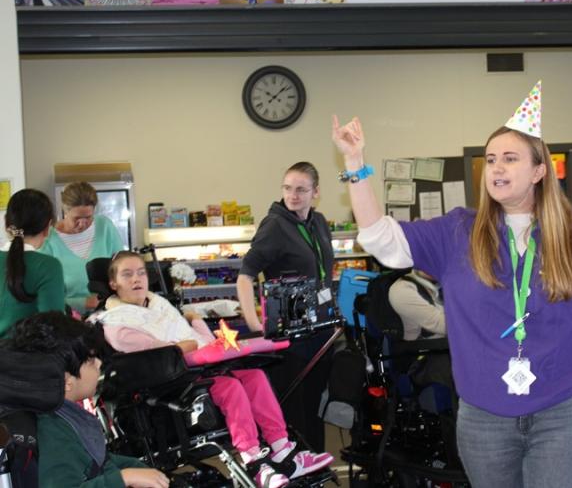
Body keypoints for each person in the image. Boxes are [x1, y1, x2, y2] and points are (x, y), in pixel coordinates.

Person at [332, 81, 572, 488]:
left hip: (558, 415)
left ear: (540, 170)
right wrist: (355, 163)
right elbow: (382, 241)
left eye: (510, 158)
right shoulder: (458, 231)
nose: (497, 168)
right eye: (491, 160)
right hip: (481, 418)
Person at [92, 251, 334, 486]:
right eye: (127, 274)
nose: (136, 279)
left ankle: (282, 449)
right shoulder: (115, 324)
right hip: (168, 381)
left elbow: (195, 342)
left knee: (255, 375)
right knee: (229, 386)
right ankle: (254, 461)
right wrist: (186, 345)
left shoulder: (159, 304)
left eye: (141, 273)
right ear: (113, 283)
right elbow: (163, 354)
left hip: (198, 367)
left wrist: (195, 321)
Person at [5, 311, 169, 488]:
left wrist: (132, 467)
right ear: (66, 381)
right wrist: (123, 478)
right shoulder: (53, 430)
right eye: (90, 360)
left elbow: (92, 461)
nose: (99, 363)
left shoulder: (58, 415)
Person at [235, 161, 335, 453]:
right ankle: (293, 470)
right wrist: (255, 322)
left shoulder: (319, 222)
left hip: (320, 329)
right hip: (289, 335)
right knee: (293, 411)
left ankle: (315, 464)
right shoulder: (276, 225)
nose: (293, 195)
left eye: (302, 190)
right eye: (288, 188)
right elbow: (245, 275)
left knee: (315, 407)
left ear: (315, 192)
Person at [40, 181, 124, 315]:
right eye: (77, 218)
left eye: (88, 217)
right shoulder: (48, 240)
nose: (82, 224)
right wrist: (83, 303)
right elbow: (45, 298)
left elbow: (124, 267)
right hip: (69, 320)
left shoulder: (105, 226)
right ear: (65, 210)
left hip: (110, 314)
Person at [0, 189, 65, 337]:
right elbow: (53, 327)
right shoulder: (48, 266)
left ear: (6, 223)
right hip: (26, 357)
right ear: (48, 227)